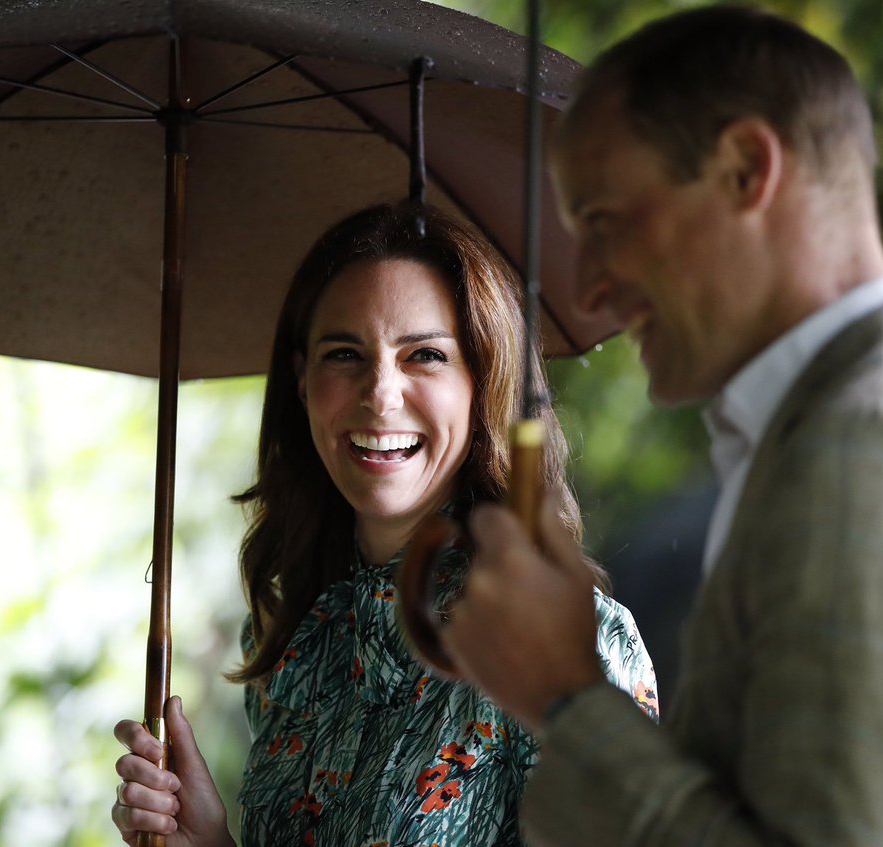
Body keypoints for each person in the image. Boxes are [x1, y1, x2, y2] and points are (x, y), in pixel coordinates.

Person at [439, 6, 883, 847]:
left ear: (744, 169)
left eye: (606, 224)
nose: (588, 291)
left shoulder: (874, 460)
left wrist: (567, 697)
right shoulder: (878, 433)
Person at [110, 202, 660, 846]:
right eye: (345, 353)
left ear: (485, 379)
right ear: (302, 379)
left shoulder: (571, 644)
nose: (379, 394)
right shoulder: (296, 645)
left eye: (424, 355)